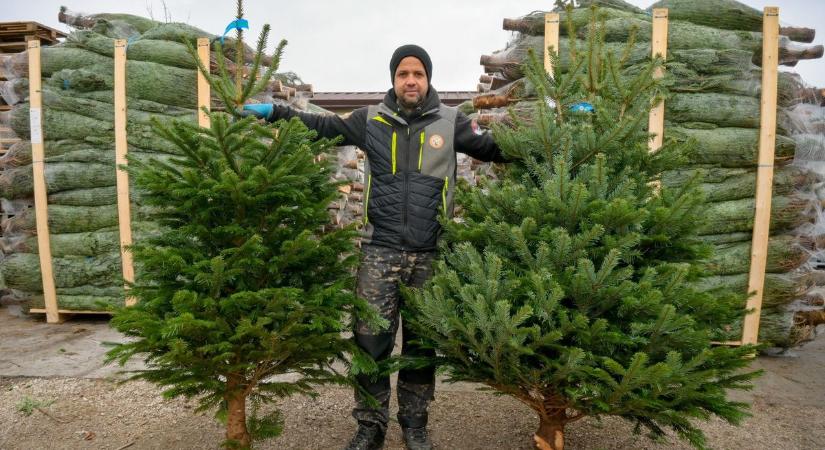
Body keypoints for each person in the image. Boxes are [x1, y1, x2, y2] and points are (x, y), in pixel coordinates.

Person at [243, 44, 508, 450]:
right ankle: (370, 426)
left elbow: (496, 149)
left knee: (422, 343)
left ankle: (415, 424)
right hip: (378, 251)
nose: (411, 81)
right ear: (393, 79)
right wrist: (277, 112)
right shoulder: (371, 120)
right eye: (403, 74)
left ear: (428, 78)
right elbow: (322, 127)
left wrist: (557, 133)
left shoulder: (451, 122)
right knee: (370, 340)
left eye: (418, 73)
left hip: (429, 254)